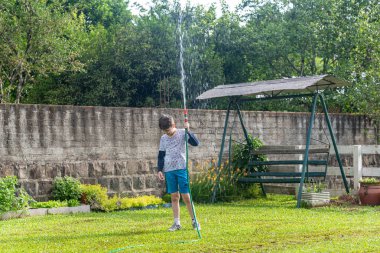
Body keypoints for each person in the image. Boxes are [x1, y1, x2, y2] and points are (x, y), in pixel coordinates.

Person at [157, 114, 200, 232]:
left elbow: (196, 143)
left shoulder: (182, 133)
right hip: (169, 170)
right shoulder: (163, 138)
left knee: (186, 196)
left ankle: (194, 221)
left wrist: (189, 130)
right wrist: (160, 170)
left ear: (173, 125)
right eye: (165, 131)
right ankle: (177, 223)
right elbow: (161, 155)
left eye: (168, 130)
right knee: (174, 197)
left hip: (181, 168)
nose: (167, 133)